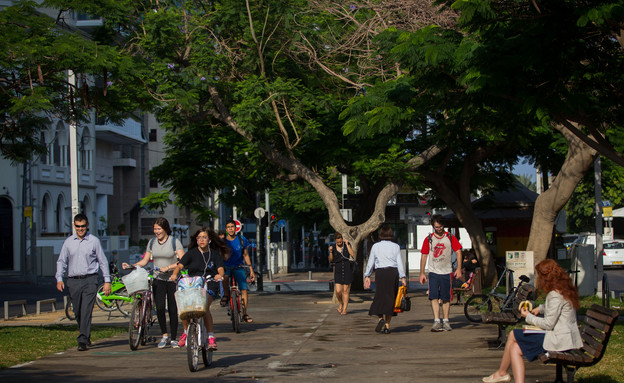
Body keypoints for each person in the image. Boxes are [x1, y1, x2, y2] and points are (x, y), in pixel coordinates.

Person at [482, 259, 582, 383]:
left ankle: (501, 373)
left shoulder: (554, 295)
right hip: (565, 337)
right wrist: (539, 309)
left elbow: (548, 324)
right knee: (514, 348)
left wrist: (528, 316)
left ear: (546, 277)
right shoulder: (564, 289)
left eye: (540, 276)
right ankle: (503, 374)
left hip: (558, 339)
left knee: (513, 334)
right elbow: (558, 308)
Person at [122, 217, 184, 349]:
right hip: (157, 279)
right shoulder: (152, 242)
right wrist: (131, 266)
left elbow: (182, 261)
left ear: (165, 228)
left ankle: (173, 338)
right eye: (155, 229)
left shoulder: (174, 242)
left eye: (159, 229)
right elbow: (144, 261)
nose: (156, 231)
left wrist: (168, 268)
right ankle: (165, 335)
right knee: (160, 308)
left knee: (173, 309)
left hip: (172, 279)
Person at [55, 213, 111, 351]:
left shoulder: (94, 241)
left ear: (87, 226)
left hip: (90, 280)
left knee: (86, 310)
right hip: (73, 281)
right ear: (74, 226)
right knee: (77, 311)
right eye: (78, 226)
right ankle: (85, 334)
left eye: (83, 226)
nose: (80, 229)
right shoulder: (68, 242)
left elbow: (103, 262)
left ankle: (82, 340)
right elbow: (62, 261)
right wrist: (59, 278)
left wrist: (107, 281)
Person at [169, 227, 228, 350]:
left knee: (204, 307)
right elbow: (179, 266)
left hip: (209, 283)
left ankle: (211, 337)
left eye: (204, 237)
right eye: (199, 237)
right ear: (196, 240)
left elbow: (221, 268)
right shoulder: (191, 253)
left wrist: (219, 275)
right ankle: (186, 332)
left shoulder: (214, 254)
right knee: (184, 307)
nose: (202, 240)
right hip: (193, 285)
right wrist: (174, 274)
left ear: (209, 240)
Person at [419, 214, 463, 332]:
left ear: (443, 225)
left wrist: (458, 268)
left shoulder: (449, 237)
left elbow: (458, 251)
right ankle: (437, 321)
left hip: (447, 272)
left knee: (446, 297)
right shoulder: (428, 239)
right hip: (433, 271)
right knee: (433, 296)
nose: (438, 229)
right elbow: (424, 255)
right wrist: (422, 272)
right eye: (436, 227)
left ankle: (446, 321)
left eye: (440, 226)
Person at [363, 225, 407, 334]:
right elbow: (399, 263)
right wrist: (403, 277)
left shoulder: (375, 246)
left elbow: (371, 262)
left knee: (379, 296)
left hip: (380, 273)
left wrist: (367, 275)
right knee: (390, 299)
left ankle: (380, 319)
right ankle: (387, 326)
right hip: (392, 273)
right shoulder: (396, 246)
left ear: (380, 235)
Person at [221, 219, 256, 323]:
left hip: (239, 266)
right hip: (226, 266)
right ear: (226, 229)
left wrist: (251, 269)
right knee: (225, 277)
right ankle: (226, 295)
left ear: (235, 228)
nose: (230, 229)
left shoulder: (241, 239)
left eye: (232, 227)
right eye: (228, 227)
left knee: (244, 289)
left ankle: (244, 313)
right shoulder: (223, 242)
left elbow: (245, 254)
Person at [329, 232, 356, 315]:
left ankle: (345, 309)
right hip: (338, 269)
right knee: (338, 291)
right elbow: (330, 260)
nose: (339, 243)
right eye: (338, 242)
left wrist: (347, 244)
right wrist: (330, 252)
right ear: (335, 241)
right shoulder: (333, 247)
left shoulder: (346, 245)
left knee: (345, 290)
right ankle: (341, 302)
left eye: (340, 242)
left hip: (347, 268)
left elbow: (352, 254)